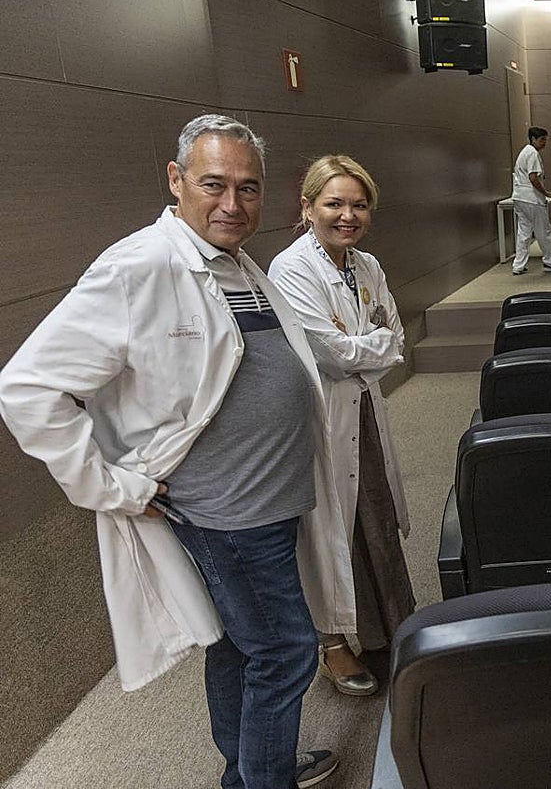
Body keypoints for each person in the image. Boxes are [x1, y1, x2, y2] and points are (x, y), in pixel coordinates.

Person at [0, 116, 339, 789]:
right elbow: (26, 387)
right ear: (176, 181)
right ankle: (263, 778)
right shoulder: (140, 266)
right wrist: (108, 485)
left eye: (248, 188)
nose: (232, 204)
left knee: (240, 646)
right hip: (228, 513)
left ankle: (247, 768)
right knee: (285, 650)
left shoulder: (236, 264)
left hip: (268, 502)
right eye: (214, 184)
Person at [269, 155, 416, 698]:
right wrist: (365, 345)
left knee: (374, 512)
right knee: (331, 527)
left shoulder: (367, 265)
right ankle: (332, 643)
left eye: (358, 204)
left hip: (365, 408)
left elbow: (395, 342)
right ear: (307, 208)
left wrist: (365, 345)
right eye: (334, 203)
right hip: (323, 416)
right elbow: (329, 356)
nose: (347, 215)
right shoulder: (291, 269)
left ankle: (393, 624)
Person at [511, 126, 551, 275]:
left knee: (524, 233)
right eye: (542, 140)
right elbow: (533, 177)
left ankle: (518, 265)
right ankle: (550, 261)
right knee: (544, 231)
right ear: (533, 139)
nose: (544, 143)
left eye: (545, 139)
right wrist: (546, 193)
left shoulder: (524, 152)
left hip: (519, 197)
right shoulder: (532, 154)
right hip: (532, 199)